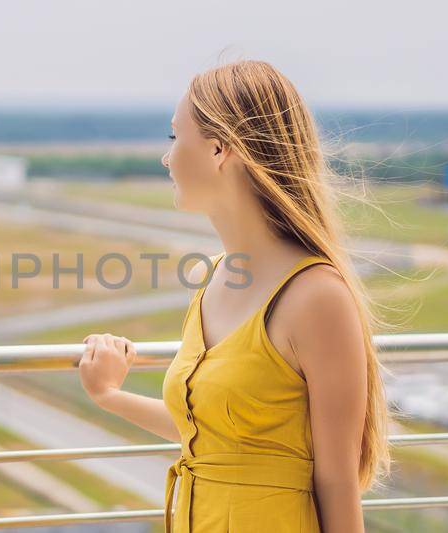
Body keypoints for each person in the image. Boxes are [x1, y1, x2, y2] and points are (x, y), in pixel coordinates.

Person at [75, 59, 390, 532]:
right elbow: (211, 436)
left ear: (220, 149)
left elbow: (336, 481)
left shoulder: (317, 297)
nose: (167, 157)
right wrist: (108, 395)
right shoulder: (218, 278)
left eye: (174, 137)